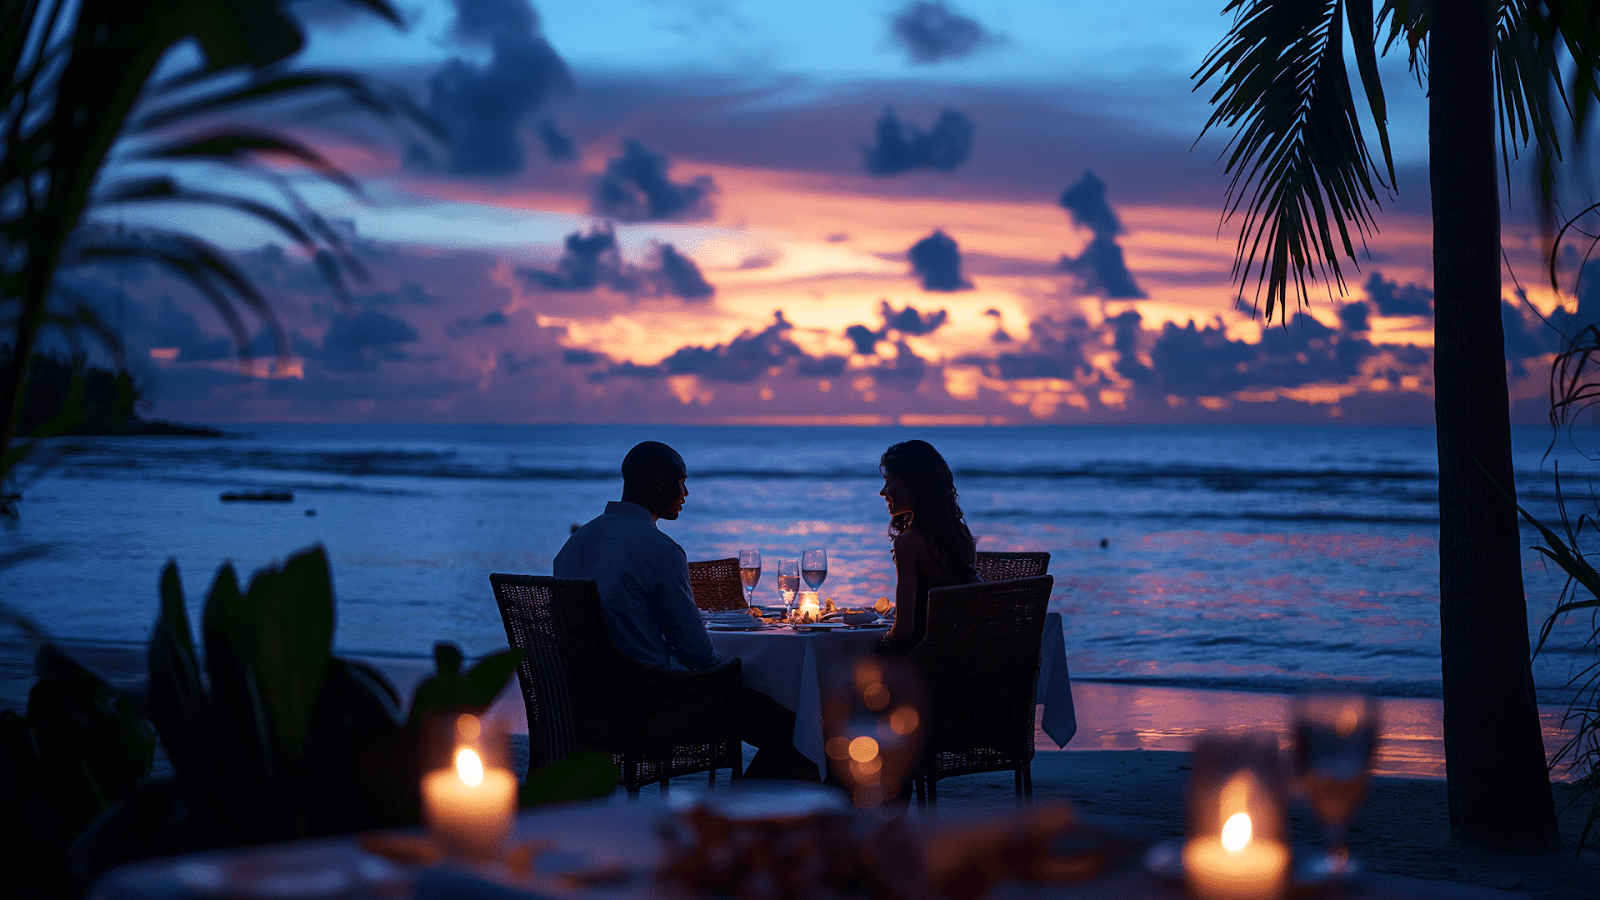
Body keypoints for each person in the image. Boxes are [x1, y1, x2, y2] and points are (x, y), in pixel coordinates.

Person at [554, 440, 815, 780]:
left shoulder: (575, 544)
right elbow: (696, 654)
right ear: (660, 483)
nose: (686, 492)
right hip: (651, 702)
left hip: (585, 705)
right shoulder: (659, 549)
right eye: (681, 481)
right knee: (798, 731)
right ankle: (739, 814)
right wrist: (743, 668)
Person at [875, 439, 981, 655]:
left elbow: (904, 630)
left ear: (912, 484)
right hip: (965, 656)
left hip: (926, 666)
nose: (883, 491)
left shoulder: (909, 543)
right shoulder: (961, 534)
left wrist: (882, 641)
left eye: (888, 481)